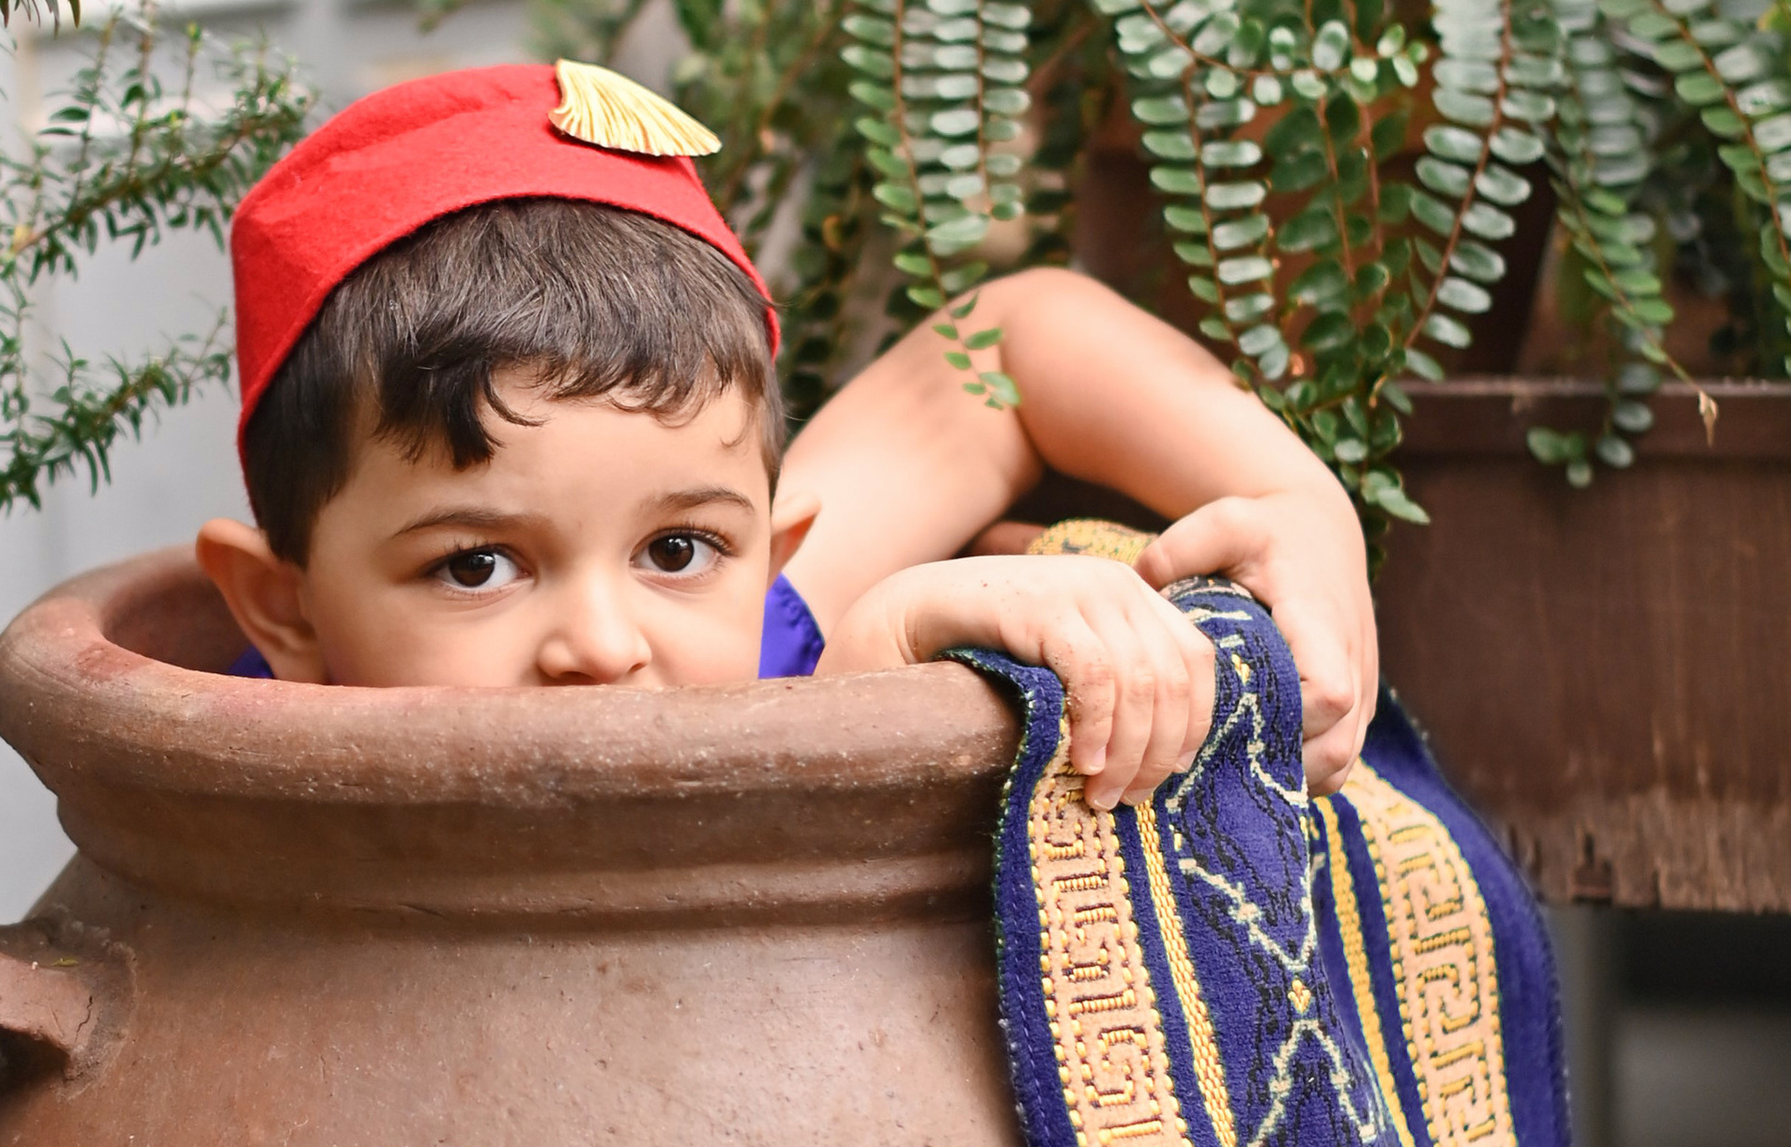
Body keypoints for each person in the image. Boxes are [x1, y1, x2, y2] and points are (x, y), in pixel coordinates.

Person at [197, 61, 1375, 811]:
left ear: (773, 545)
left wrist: (1304, 510)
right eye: (476, 564)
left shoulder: (757, 617)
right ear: (284, 611)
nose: (605, 647)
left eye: (675, 550)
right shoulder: (248, 804)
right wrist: (880, 657)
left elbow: (1016, 342)